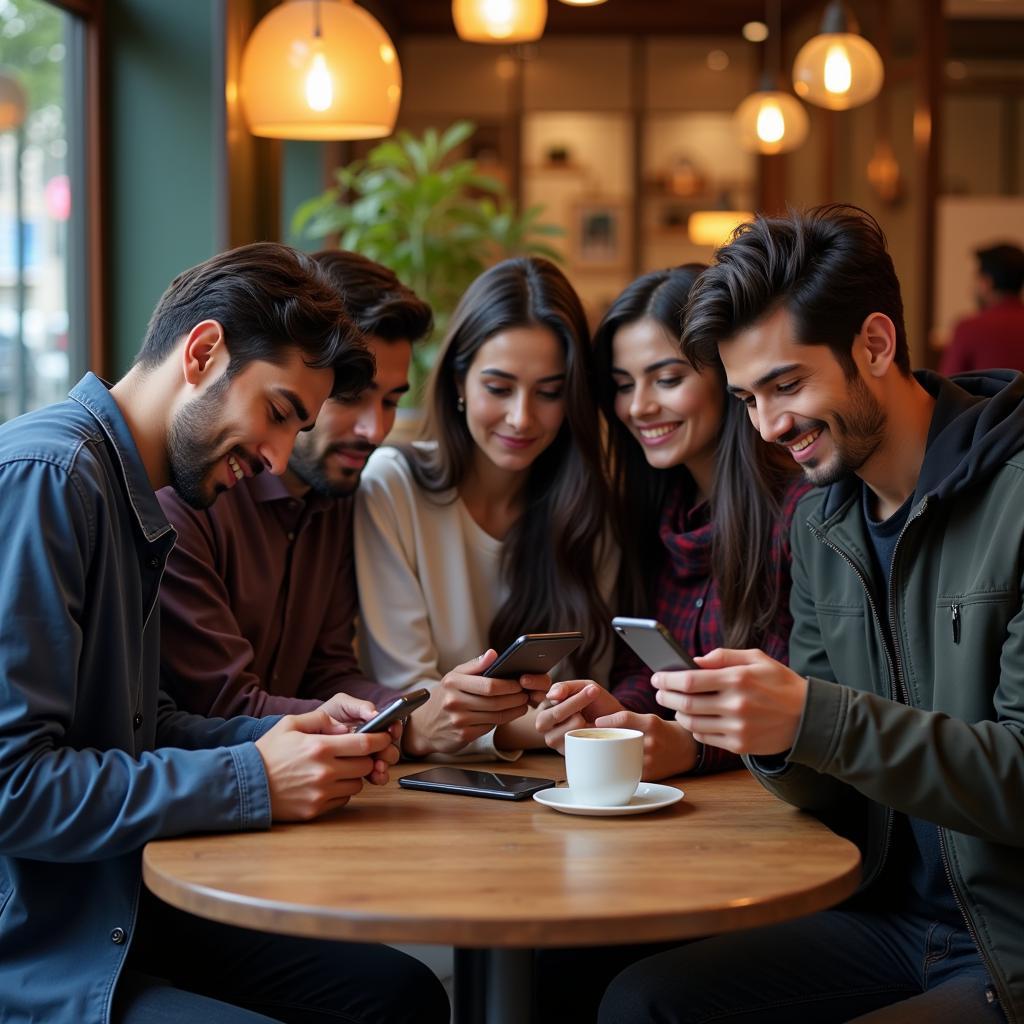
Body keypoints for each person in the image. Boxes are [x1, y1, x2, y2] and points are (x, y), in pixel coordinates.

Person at [0, 242, 449, 1024]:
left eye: (296, 426)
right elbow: (13, 787)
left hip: (120, 909)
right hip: (41, 947)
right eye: (276, 412)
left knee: (399, 995)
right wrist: (253, 778)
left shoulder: (125, 486)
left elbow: (138, 729)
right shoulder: (52, 478)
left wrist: (279, 732)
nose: (277, 456)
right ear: (202, 352)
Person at [599, 204, 1024, 1023]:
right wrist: (767, 733)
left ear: (875, 343)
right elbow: (831, 794)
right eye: (748, 397)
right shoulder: (821, 523)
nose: (770, 426)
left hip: (1004, 947)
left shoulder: (1014, 501)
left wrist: (812, 715)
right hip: (884, 921)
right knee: (640, 1002)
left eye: (787, 385)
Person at [531, 265, 807, 783]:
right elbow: (653, 670)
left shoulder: (798, 511)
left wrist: (694, 747)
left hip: (781, 806)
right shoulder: (658, 509)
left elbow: (805, 700)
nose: (639, 406)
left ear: (728, 378)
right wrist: (616, 714)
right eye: (622, 385)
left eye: (667, 378)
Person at [354, 256, 616, 760]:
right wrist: (532, 727)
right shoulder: (394, 486)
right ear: (459, 382)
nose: (522, 417)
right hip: (422, 791)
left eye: (549, 393)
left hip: (558, 783)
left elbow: (587, 686)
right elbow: (411, 698)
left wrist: (541, 723)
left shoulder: (586, 505)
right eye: (498, 388)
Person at [158, 250, 433, 717]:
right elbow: (219, 706)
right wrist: (403, 726)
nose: (376, 431)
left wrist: (414, 711)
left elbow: (327, 673)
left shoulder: (338, 494)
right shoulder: (193, 490)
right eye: (351, 398)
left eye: (390, 402)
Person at [939, 241, 1024, 375]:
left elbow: (947, 386)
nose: (971, 289)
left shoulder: (969, 328)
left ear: (987, 282)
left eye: (975, 279)